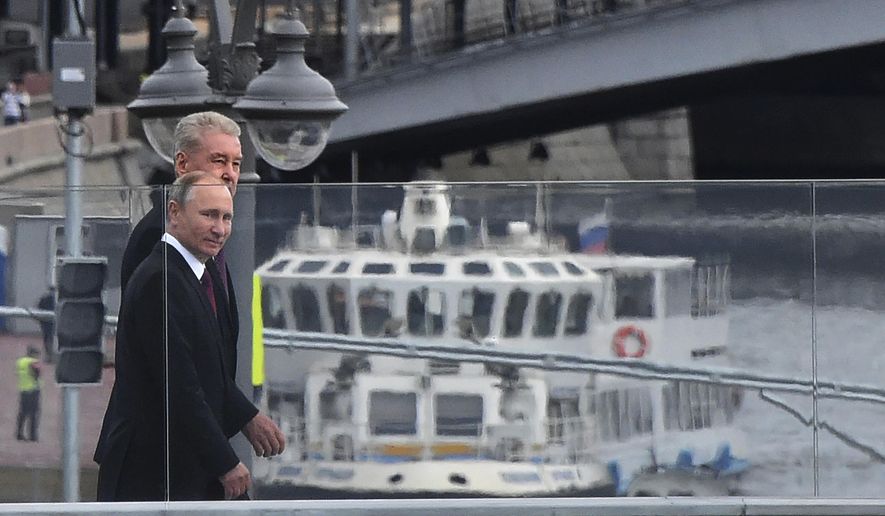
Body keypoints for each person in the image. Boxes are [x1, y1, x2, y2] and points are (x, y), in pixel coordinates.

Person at [95, 172, 285, 501]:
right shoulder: (161, 279)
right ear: (174, 213)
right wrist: (225, 462)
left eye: (227, 217)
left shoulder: (195, 271)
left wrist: (246, 416)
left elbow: (205, 367)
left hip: (183, 470)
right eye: (209, 215)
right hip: (155, 476)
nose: (220, 228)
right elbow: (179, 381)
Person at [96, 111, 246, 466]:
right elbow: (173, 365)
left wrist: (241, 416)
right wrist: (231, 444)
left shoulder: (205, 237)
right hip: (156, 454)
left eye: (236, 163)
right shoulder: (161, 235)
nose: (230, 173)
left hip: (189, 445)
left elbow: (210, 350)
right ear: (182, 163)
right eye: (218, 160)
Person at [15, 346, 41, 442]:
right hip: (33, 390)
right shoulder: (33, 362)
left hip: (23, 389)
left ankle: (19, 433)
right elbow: (37, 374)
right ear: (33, 354)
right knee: (34, 414)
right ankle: (33, 435)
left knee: (23, 413)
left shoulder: (20, 361)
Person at [36, 286, 56, 363]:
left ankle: (49, 356)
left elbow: (39, 309)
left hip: (45, 322)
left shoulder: (44, 298)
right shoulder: (57, 299)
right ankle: (52, 356)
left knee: (47, 338)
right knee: (53, 338)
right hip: (54, 322)